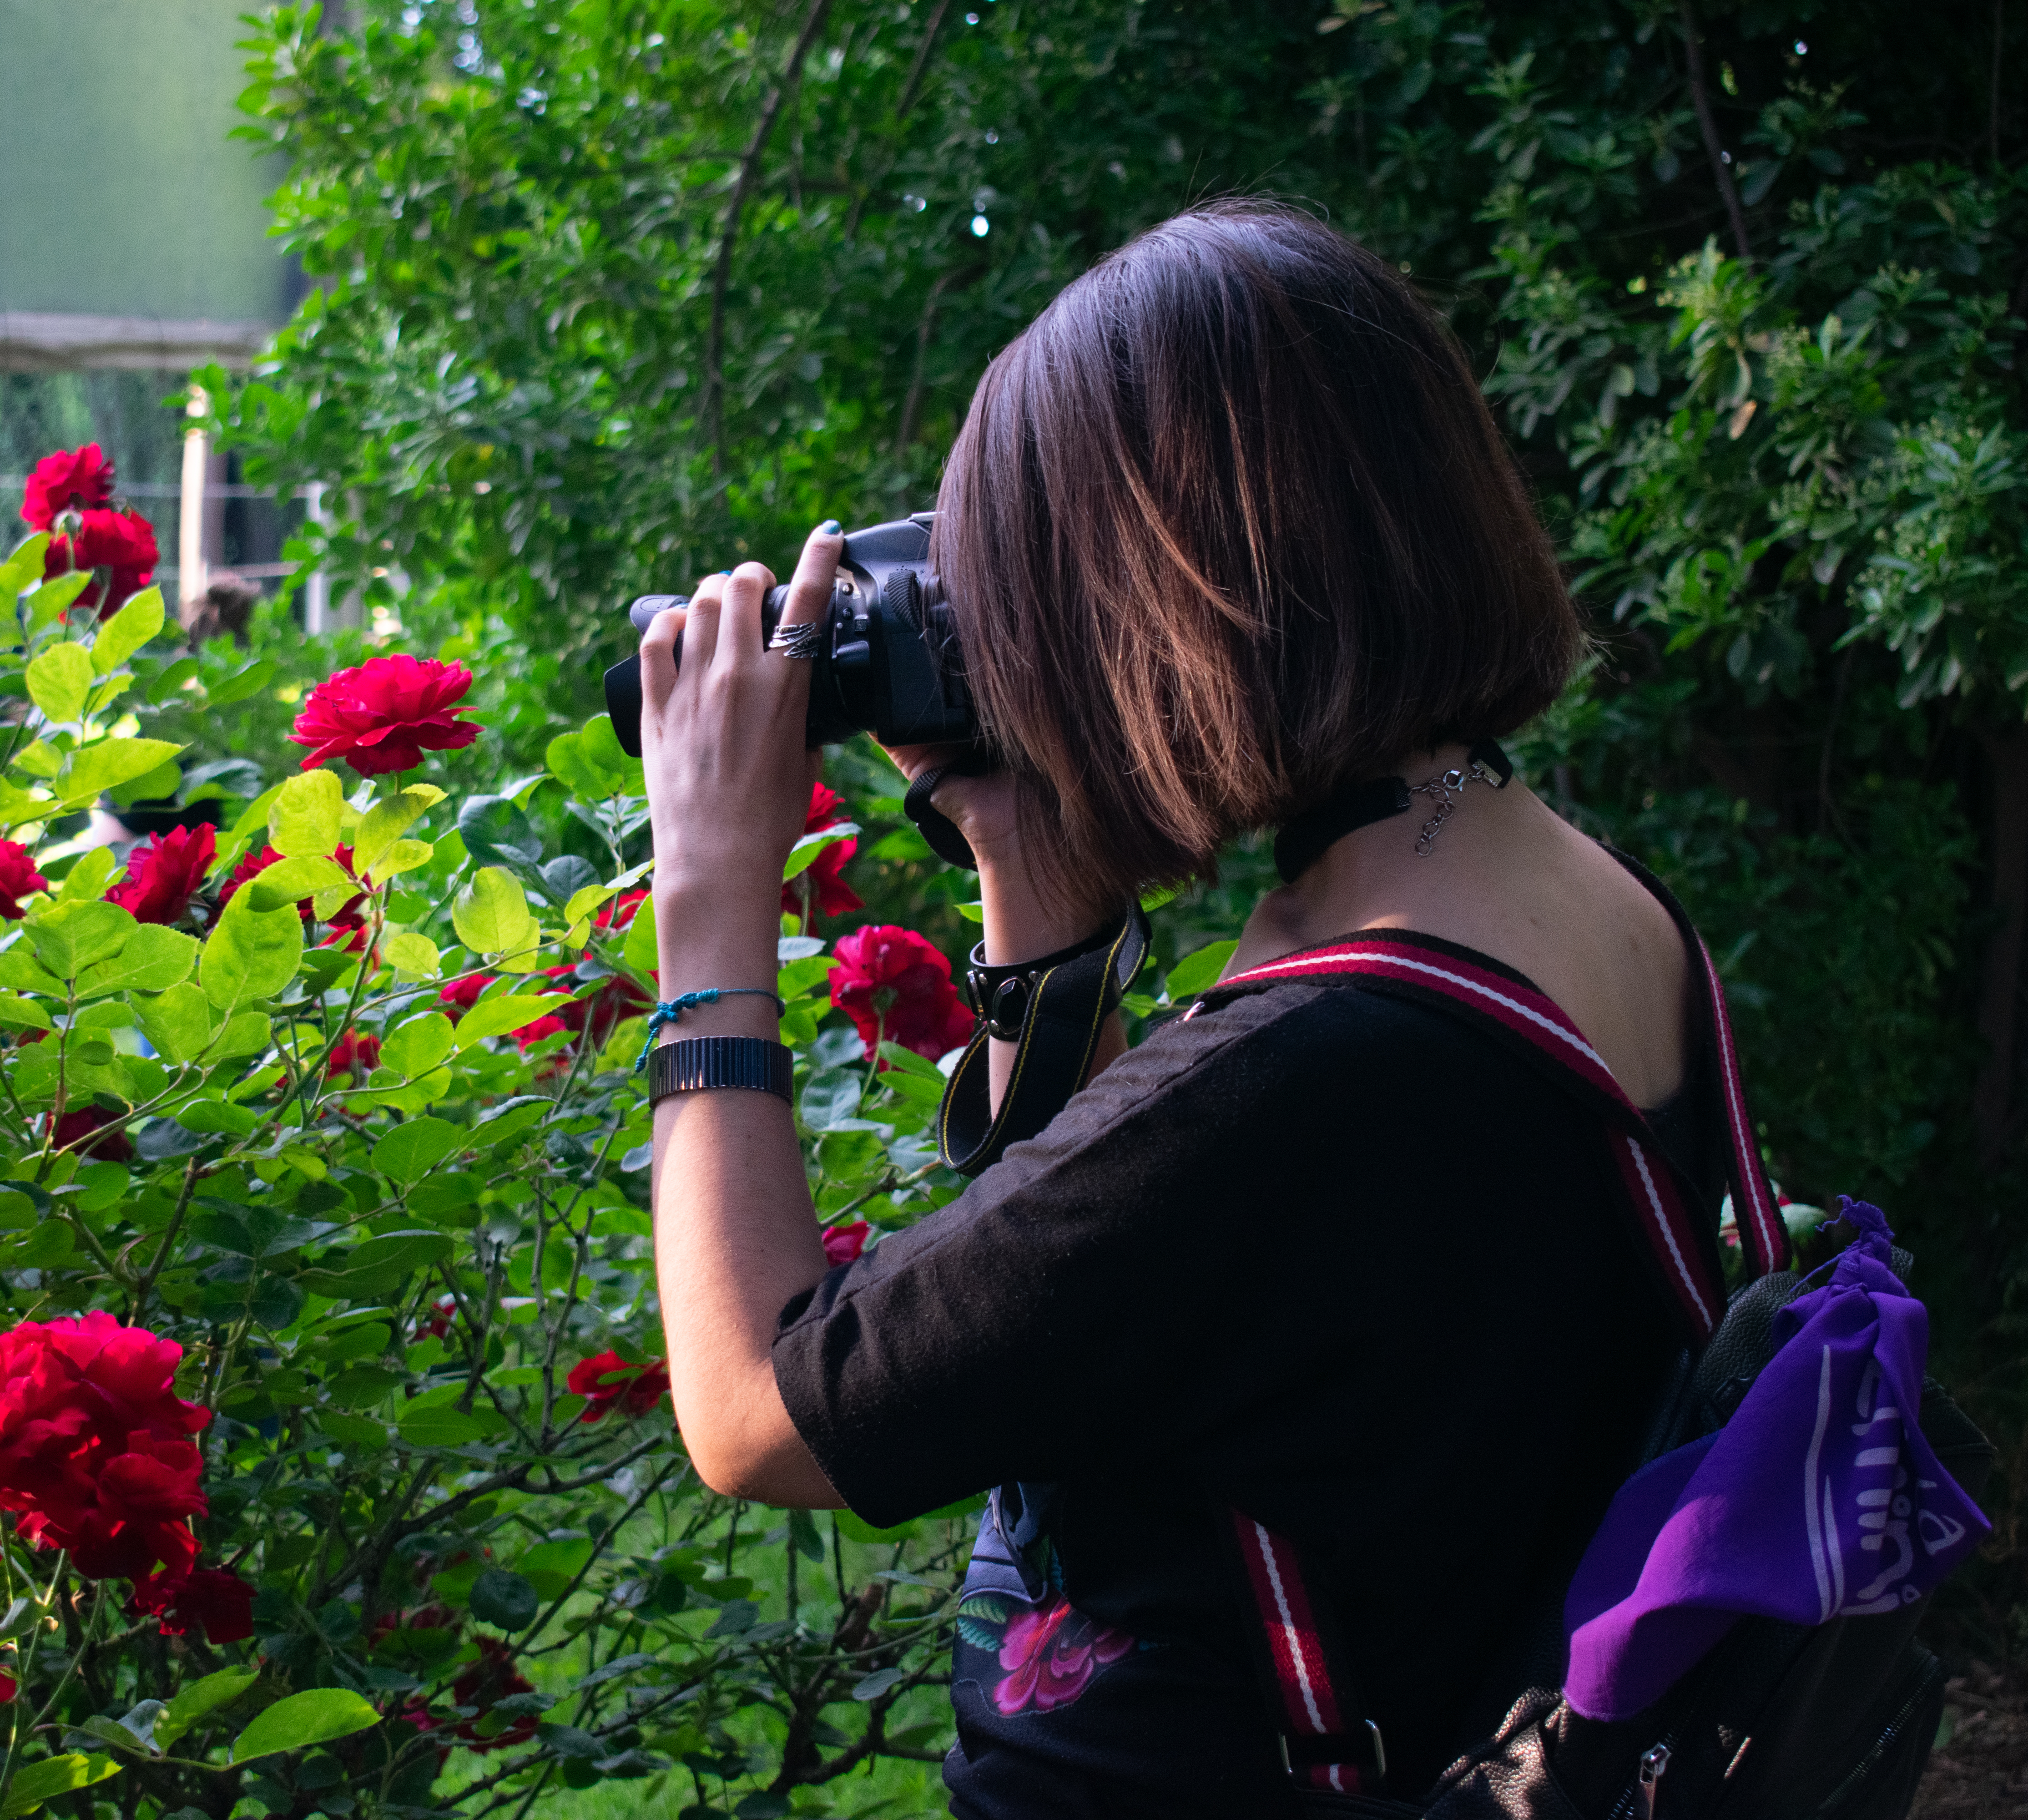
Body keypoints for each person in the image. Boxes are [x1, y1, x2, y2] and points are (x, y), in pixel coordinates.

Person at [632, 200, 1727, 1815]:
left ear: (1162, 597)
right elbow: (1141, 1287)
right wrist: (1027, 861)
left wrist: (711, 901)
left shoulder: (1309, 1069)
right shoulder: (1574, 907)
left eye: (1031, 597)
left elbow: (756, 1418)